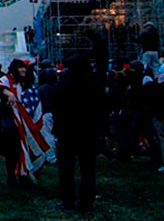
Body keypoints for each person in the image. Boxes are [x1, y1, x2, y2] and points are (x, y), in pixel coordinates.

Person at [53, 55, 107, 213]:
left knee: (66, 170)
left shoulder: (62, 87)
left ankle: (68, 202)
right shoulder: (95, 86)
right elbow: (101, 110)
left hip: (67, 133)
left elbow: (57, 111)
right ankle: (87, 204)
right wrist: (101, 132)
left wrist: (57, 129)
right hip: (88, 133)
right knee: (88, 170)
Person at [0, 59, 50, 187]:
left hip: (19, 123)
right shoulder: (7, 80)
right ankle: (13, 178)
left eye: (24, 68)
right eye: (20, 68)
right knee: (12, 152)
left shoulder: (20, 82)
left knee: (20, 150)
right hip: (10, 124)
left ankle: (22, 174)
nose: (24, 70)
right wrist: (9, 94)